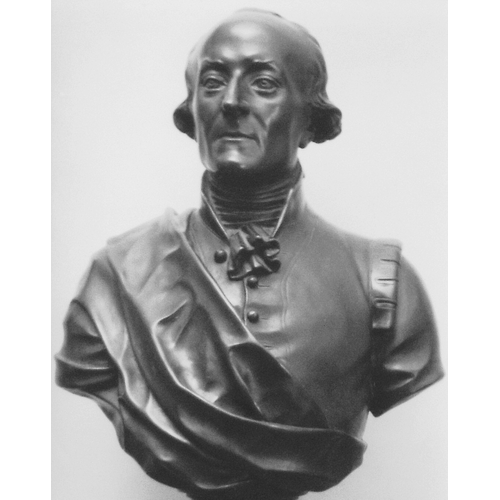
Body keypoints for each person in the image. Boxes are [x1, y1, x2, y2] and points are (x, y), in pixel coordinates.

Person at [55, 9, 443, 500]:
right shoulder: (117, 276)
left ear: (310, 118)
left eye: (263, 83)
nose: (232, 102)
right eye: (213, 82)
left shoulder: (383, 283)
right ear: (192, 111)